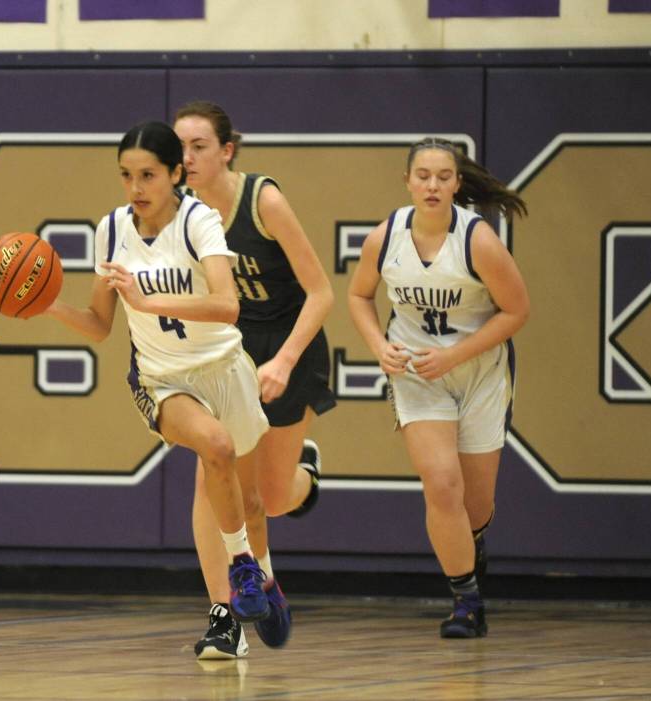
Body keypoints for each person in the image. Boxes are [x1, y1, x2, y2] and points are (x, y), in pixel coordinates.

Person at [44, 120, 274, 626]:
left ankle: (267, 579)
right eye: (126, 176)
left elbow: (227, 305)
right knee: (214, 446)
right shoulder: (112, 230)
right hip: (163, 380)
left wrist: (148, 300)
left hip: (225, 367)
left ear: (176, 174)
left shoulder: (200, 221)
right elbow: (100, 325)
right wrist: (46, 305)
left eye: (148, 175)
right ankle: (239, 574)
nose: (135, 188)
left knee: (253, 502)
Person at [347, 137, 530, 638]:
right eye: (423, 175)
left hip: (478, 371)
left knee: (476, 506)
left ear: (457, 183)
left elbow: (517, 311)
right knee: (441, 482)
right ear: (407, 181)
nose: (432, 185)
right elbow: (360, 295)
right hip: (414, 373)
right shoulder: (386, 238)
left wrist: (452, 355)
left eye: (443, 176)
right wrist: (378, 345)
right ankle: (466, 601)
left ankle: (471, 542)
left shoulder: (478, 242)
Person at [173, 101, 336, 659]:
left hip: (289, 346)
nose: (187, 157)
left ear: (226, 150)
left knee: (268, 496)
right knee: (218, 481)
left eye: (198, 146)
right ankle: (228, 619)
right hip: (230, 354)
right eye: (181, 147)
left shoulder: (263, 200)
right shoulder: (180, 212)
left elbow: (321, 292)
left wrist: (286, 360)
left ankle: (305, 479)